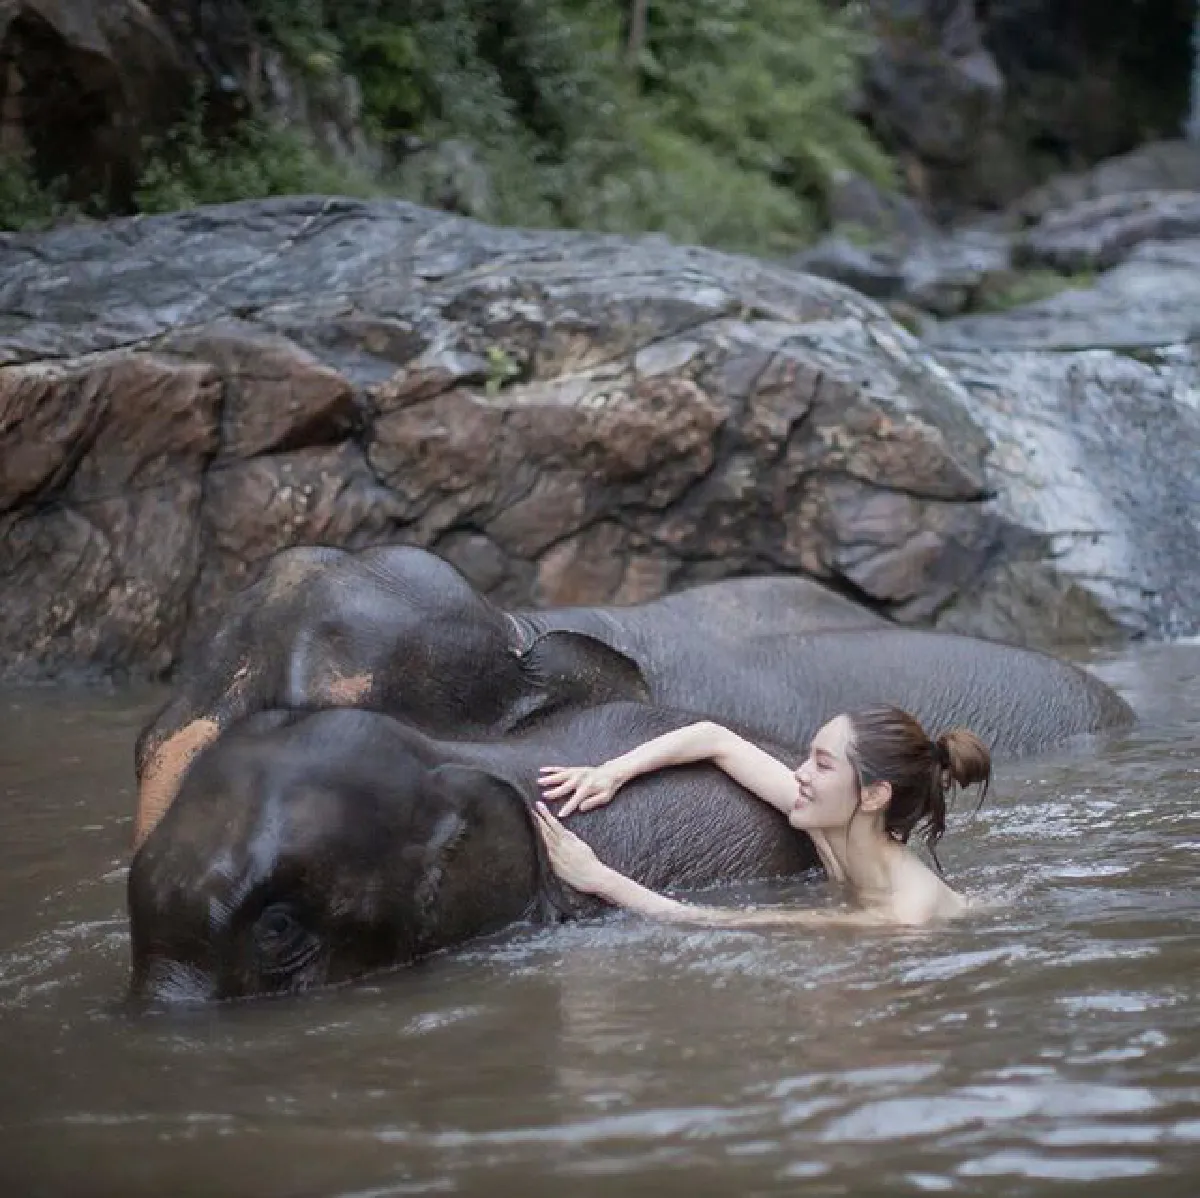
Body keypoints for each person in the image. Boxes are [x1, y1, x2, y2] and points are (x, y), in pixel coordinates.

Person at [533, 705, 991, 930]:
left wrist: (597, 878)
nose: (800, 773)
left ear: (873, 796)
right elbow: (716, 740)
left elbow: (715, 922)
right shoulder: (835, 819)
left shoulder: (903, 917)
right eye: (809, 757)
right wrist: (612, 772)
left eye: (823, 765)